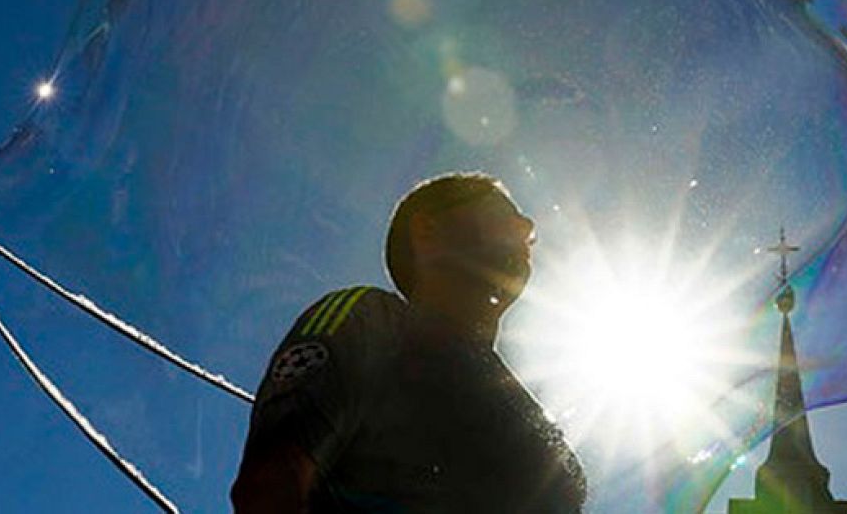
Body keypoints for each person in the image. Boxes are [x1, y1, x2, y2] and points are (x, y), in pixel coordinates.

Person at [231, 172, 586, 513]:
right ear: (427, 231)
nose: (525, 227)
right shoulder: (372, 322)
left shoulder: (517, 403)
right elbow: (271, 487)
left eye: (526, 227)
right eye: (501, 214)